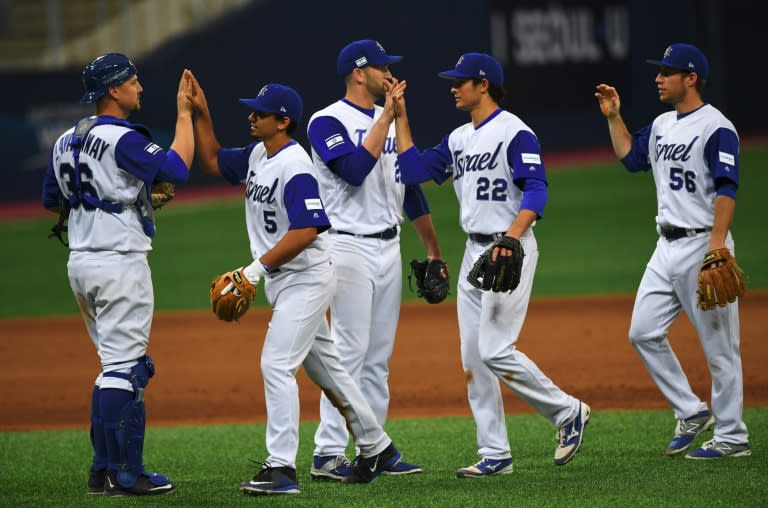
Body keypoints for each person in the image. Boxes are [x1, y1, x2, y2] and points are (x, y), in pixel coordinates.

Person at [186, 75, 410, 494]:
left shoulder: (296, 166)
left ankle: (281, 468)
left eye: (260, 113)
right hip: (286, 279)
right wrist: (201, 112)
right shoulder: (258, 154)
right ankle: (376, 446)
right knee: (329, 369)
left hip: (307, 277)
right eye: (251, 110)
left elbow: (308, 228)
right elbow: (213, 160)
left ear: (284, 121)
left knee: (276, 364)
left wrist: (253, 270)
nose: (252, 117)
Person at [391, 52, 591, 477]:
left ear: (483, 85)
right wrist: (400, 116)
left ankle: (567, 412)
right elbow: (412, 170)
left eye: (460, 81)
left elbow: (536, 191)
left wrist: (511, 239)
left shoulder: (515, 133)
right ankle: (494, 452)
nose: (453, 86)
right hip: (473, 255)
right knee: (473, 358)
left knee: (496, 349)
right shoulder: (460, 137)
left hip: (508, 250)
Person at [41, 53, 195, 496]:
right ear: (114, 89)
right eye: (133, 80)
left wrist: (120, 196)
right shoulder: (120, 137)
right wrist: (184, 115)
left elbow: (53, 199)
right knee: (127, 369)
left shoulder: (63, 139)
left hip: (81, 263)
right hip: (118, 261)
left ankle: (102, 471)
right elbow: (176, 170)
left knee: (111, 366)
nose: (140, 87)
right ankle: (128, 474)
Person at [595, 43, 750, 459]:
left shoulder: (717, 127)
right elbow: (630, 157)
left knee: (720, 348)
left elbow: (727, 187)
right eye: (659, 71)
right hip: (665, 247)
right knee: (642, 331)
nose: (658, 79)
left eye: (667, 72)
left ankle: (733, 436)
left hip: (703, 242)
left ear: (691, 78)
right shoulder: (663, 124)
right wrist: (614, 118)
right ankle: (690, 410)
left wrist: (718, 242)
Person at [306, 39, 443, 479]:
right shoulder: (326, 120)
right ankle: (327, 453)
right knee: (347, 353)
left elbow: (412, 185)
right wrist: (387, 116)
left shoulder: (391, 119)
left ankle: (374, 449)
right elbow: (351, 171)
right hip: (346, 247)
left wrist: (432, 248)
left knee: (378, 358)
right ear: (358, 73)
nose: (389, 74)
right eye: (382, 68)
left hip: (389, 245)